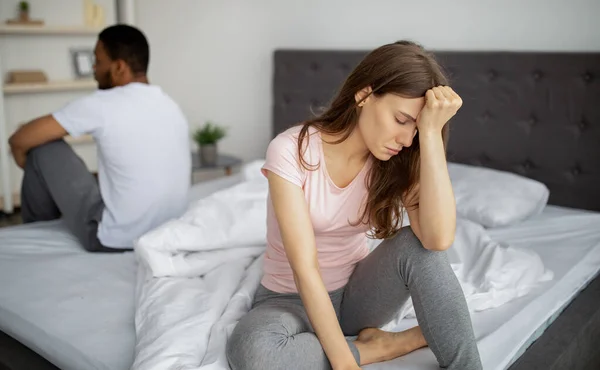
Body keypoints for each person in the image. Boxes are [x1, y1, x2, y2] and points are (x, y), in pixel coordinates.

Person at [226, 40, 483, 370]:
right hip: (287, 299)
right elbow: (305, 269)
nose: (406, 139)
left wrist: (430, 135)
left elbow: (438, 240)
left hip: (360, 299)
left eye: (416, 129)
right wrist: (347, 362)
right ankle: (389, 345)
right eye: (402, 120)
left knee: (416, 247)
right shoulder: (292, 150)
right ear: (364, 95)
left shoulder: (401, 156)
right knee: (252, 351)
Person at [8, 24, 191, 253]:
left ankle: (36, 234)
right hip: (165, 234)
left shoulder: (103, 103)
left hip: (115, 239)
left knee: (43, 147)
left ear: (119, 67)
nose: (93, 68)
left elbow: (20, 140)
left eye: (98, 60)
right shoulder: (171, 106)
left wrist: (28, 162)